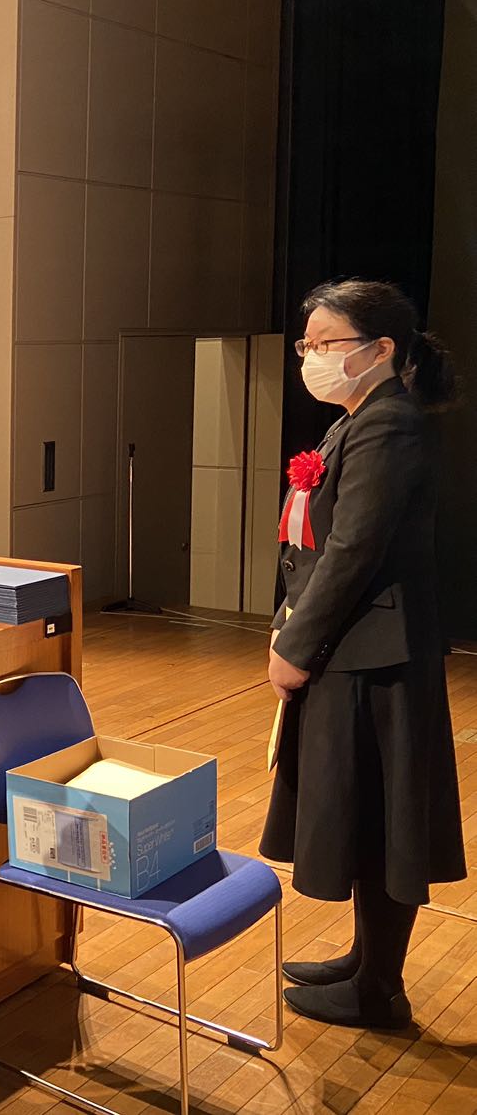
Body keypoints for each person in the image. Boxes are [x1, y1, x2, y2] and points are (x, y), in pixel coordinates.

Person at [260, 279, 467, 1029]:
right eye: (306, 344)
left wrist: (295, 646)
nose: (310, 357)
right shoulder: (359, 419)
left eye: (326, 344)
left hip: (375, 659)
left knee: (382, 817)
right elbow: (317, 547)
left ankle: (380, 988)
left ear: (380, 350)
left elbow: (353, 550)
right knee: (362, 811)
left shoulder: (389, 425)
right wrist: (288, 621)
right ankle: (364, 962)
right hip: (352, 649)